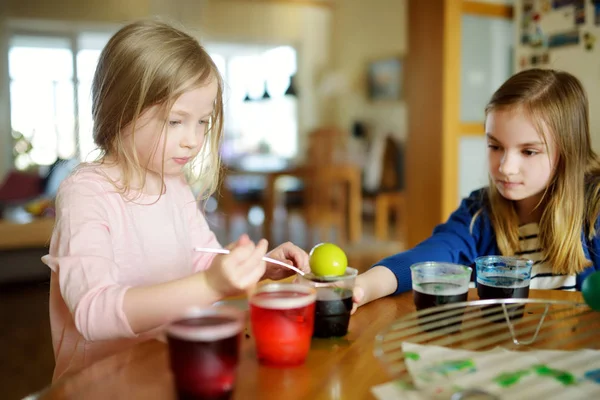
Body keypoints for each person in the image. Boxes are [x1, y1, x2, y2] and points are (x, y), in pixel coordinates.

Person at [42, 20, 310, 381]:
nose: (193, 140)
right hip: (101, 382)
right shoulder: (86, 192)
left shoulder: (174, 183)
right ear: (119, 110)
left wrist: (258, 266)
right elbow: (93, 312)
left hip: (167, 366)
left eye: (202, 121)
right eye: (175, 121)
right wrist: (212, 286)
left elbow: (202, 258)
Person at [352, 68, 600, 311]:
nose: (506, 167)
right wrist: (361, 287)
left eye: (528, 151)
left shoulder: (594, 211)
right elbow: (432, 254)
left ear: (568, 151)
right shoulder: (479, 211)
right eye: (495, 146)